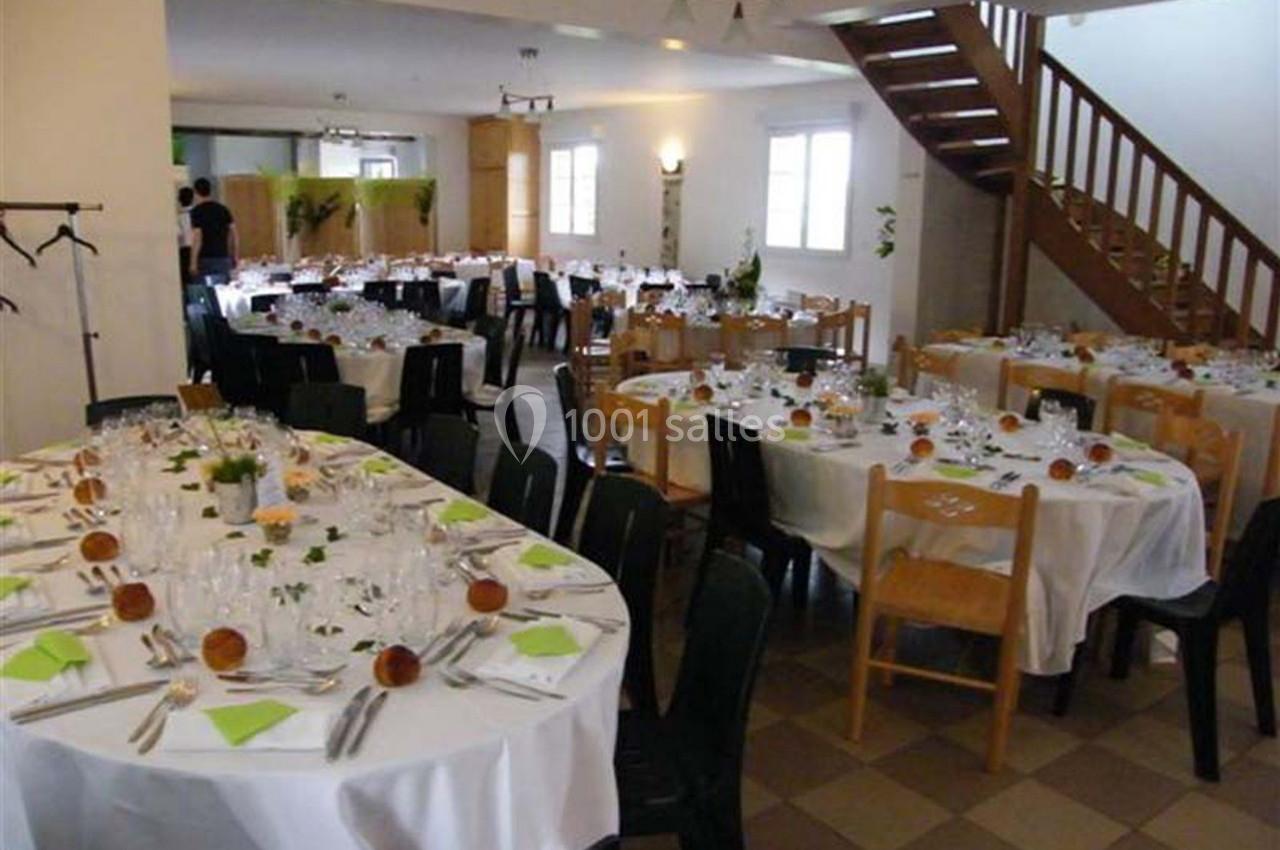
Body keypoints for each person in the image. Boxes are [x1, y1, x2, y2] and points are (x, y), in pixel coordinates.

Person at [188, 177, 237, 282]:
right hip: (223, 257)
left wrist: (193, 263)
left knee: (206, 293)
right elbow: (233, 234)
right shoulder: (223, 210)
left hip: (205, 259)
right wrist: (234, 255)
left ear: (195, 192)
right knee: (224, 291)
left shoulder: (196, 212)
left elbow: (197, 238)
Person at [177, 186, 194, 286]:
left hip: (184, 250)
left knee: (185, 281)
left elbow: (178, 235)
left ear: (179, 200)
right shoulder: (198, 214)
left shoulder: (179, 217)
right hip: (198, 248)